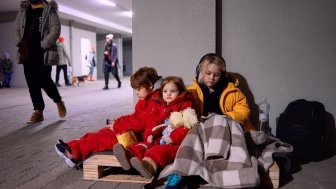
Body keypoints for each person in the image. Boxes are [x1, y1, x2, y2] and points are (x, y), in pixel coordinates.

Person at [163, 53, 256, 188]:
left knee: (237, 143)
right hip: (204, 130)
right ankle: (179, 172)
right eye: (208, 73)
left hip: (226, 127)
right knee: (192, 134)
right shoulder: (191, 91)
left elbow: (244, 111)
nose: (211, 78)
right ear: (200, 71)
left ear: (222, 75)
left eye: (216, 75)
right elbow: (182, 110)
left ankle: (240, 174)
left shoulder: (233, 91)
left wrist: (227, 117)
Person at [54, 67, 163, 168]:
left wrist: (118, 125)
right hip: (135, 132)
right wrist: (118, 122)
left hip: (138, 137)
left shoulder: (155, 102)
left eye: (138, 89)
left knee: (104, 139)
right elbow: (136, 117)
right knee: (103, 132)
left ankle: (74, 154)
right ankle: (72, 145)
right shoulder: (148, 99)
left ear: (149, 86)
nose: (136, 92)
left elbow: (140, 123)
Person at [112, 76, 195, 179]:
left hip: (175, 142)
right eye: (165, 91)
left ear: (180, 91)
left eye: (172, 91)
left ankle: (148, 166)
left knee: (160, 151)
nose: (168, 94)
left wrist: (173, 138)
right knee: (144, 144)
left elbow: (186, 126)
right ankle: (129, 153)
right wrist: (150, 134)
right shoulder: (160, 104)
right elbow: (153, 121)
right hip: (159, 137)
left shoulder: (185, 105)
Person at [13, 0, 66, 124]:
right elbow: (16, 28)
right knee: (32, 82)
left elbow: (55, 30)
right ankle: (38, 111)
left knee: (44, 80)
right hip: (26, 52)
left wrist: (42, 45)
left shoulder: (50, 11)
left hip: (43, 52)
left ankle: (58, 100)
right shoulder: (23, 10)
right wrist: (19, 42)